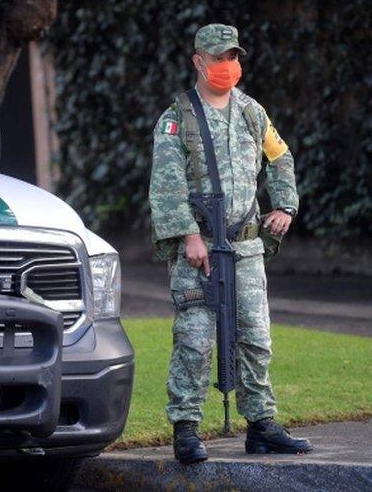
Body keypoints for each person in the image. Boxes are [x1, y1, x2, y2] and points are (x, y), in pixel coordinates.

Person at [148, 23, 314, 465]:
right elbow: (165, 186)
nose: (228, 66)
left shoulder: (251, 112)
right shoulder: (176, 118)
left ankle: (261, 425)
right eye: (220, 58)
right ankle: (186, 428)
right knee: (196, 340)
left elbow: (280, 158)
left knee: (256, 339)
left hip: (246, 247)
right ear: (198, 62)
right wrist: (187, 235)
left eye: (234, 57)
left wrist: (285, 207)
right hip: (198, 250)